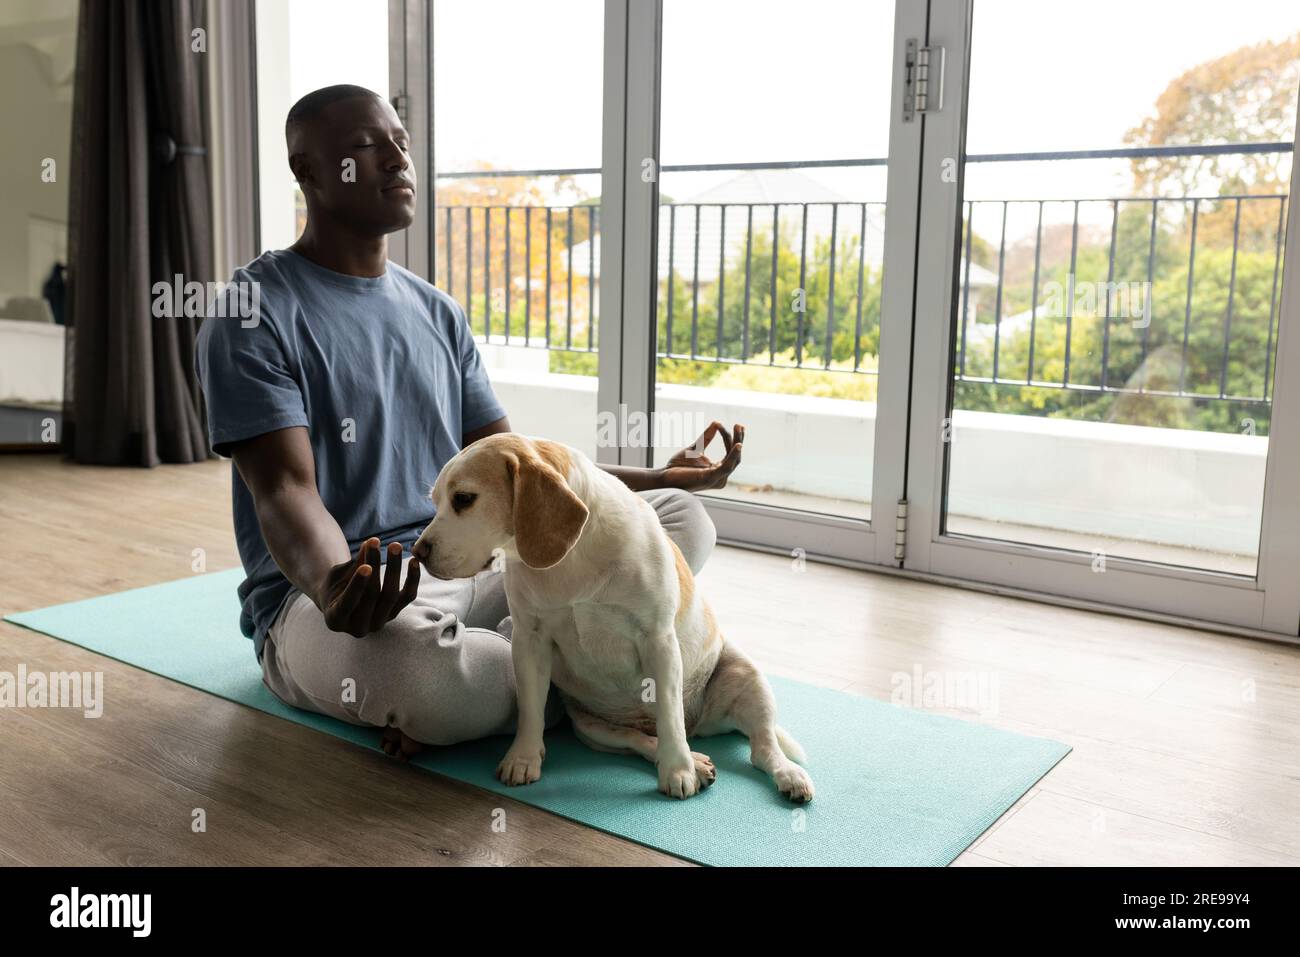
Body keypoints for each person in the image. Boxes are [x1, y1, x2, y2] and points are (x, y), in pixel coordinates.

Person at [195, 84, 745, 758]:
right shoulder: (253, 309)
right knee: (425, 678)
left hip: (470, 561)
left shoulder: (437, 311)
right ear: (307, 171)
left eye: (401, 144)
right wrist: (333, 579)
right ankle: (568, 667)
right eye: (367, 148)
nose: (398, 161)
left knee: (678, 517)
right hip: (341, 602)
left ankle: (536, 664)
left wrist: (659, 474)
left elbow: (512, 464)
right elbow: (283, 490)